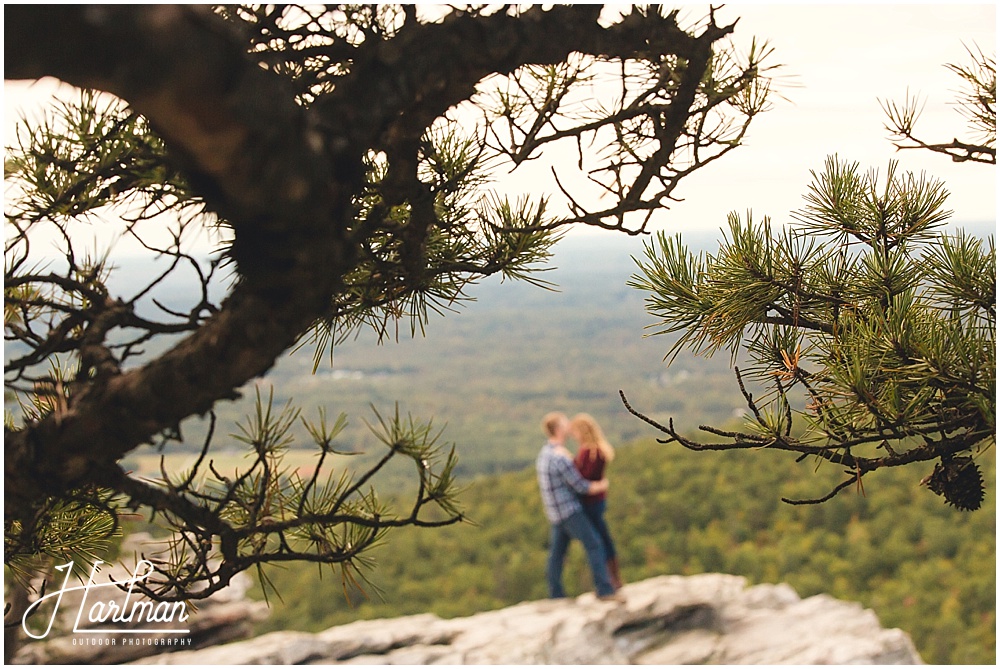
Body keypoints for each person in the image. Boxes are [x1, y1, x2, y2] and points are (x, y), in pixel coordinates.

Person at [536, 412, 623, 602]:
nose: (569, 427)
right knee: (594, 544)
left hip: (554, 512)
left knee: (557, 555)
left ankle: (556, 594)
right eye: (565, 424)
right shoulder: (560, 457)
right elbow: (581, 486)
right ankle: (605, 590)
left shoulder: (545, 453)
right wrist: (601, 485)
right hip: (569, 511)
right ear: (558, 429)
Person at [571, 413, 623, 591]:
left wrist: (569, 465)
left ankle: (610, 580)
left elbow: (583, 479)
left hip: (590, 502)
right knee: (602, 537)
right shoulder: (599, 450)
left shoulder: (589, 452)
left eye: (576, 431)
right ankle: (614, 578)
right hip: (598, 501)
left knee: (598, 541)